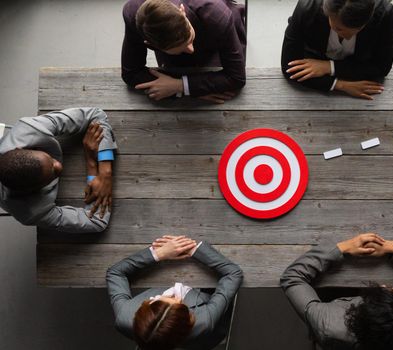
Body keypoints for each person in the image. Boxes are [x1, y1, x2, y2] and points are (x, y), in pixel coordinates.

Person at [280, 233, 393, 349]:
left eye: (383, 293)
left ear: (360, 317)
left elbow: (292, 277)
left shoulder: (329, 324)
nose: (385, 286)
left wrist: (340, 249)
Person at [106, 235, 243, 350]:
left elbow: (115, 273)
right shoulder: (204, 321)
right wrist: (193, 249)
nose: (174, 294)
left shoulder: (124, 316)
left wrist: (158, 254)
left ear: (146, 304)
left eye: (160, 298)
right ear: (189, 317)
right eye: (178, 301)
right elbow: (233, 274)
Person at [0, 108, 117, 233]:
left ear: (22, 148)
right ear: (32, 191)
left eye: (49, 159)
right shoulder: (29, 212)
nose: (59, 166)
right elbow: (96, 222)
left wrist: (105, 173)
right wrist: (91, 163)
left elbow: (95, 115)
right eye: (52, 175)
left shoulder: (28, 129)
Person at [121, 0, 246, 104]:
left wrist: (182, 86)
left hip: (216, 33)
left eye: (190, 39)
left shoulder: (216, 14)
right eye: (180, 49)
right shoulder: (133, 14)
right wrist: (182, 89)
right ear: (150, 44)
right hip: (173, 55)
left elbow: (236, 78)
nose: (191, 49)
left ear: (182, 11)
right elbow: (131, 73)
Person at [281, 0, 393, 100]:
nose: (347, 35)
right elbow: (289, 67)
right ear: (327, 13)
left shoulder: (384, 13)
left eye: (357, 29)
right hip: (315, 61)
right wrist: (340, 85)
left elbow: (382, 67)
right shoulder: (307, 8)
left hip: (355, 64)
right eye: (338, 28)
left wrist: (329, 67)